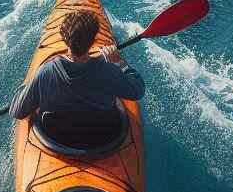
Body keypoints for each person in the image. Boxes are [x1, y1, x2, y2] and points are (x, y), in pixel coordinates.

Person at [9, 9, 145, 123]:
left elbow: (17, 112)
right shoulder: (109, 71)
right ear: (93, 41)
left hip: (59, 136)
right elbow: (137, 91)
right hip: (101, 134)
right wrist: (119, 62)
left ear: (64, 38)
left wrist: (28, 85)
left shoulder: (46, 72)